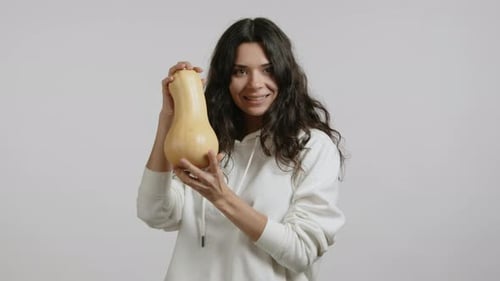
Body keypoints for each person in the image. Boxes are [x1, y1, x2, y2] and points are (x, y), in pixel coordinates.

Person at [137, 17, 346, 281]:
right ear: (225, 77)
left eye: (267, 69)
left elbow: (301, 251)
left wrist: (222, 198)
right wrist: (168, 117)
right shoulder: (207, 142)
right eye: (240, 71)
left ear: (284, 73)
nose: (255, 84)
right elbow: (153, 213)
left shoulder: (311, 147)